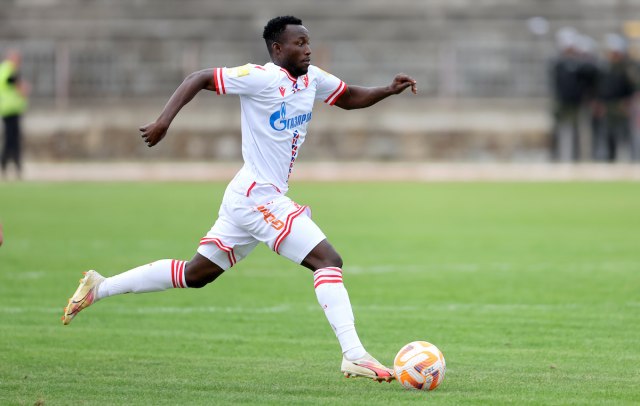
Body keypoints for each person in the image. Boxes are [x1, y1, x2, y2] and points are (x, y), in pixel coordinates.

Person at [62, 16, 417, 382]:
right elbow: (198, 78)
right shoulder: (260, 78)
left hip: (248, 195)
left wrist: (388, 90)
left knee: (196, 274)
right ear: (278, 49)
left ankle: (100, 287)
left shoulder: (311, 78)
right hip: (257, 197)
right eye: (299, 43)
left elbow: (349, 97)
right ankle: (354, 355)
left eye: (308, 42)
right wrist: (163, 121)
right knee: (328, 260)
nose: (308, 49)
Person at [592, 34, 637, 161]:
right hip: (607, 105)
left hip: (621, 105)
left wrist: (628, 102)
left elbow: (632, 87)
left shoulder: (627, 67)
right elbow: (599, 87)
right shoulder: (604, 68)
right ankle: (610, 159)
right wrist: (598, 102)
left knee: (625, 134)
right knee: (608, 134)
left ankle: (629, 159)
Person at [0, 49, 28, 179]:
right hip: (9, 110)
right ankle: (8, 165)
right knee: (11, 140)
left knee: (13, 139)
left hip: (12, 110)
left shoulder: (7, 69)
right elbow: (13, 83)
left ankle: (13, 166)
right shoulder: (8, 69)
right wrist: (22, 88)